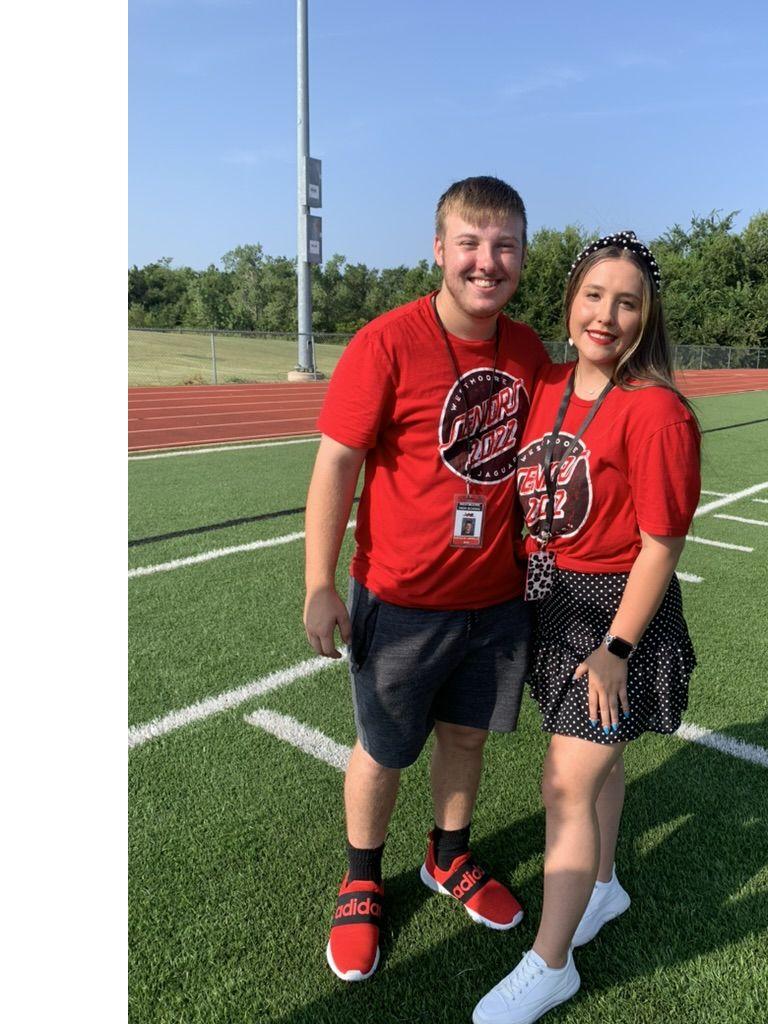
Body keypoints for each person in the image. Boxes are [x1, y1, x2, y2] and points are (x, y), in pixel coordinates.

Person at [303, 176, 550, 982]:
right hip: (402, 597)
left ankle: (448, 855)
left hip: (496, 599)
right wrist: (319, 581)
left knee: (467, 737)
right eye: (470, 243)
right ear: (439, 249)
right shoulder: (386, 342)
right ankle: (362, 878)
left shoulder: (527, 350)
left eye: (504, 245)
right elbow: (337, 463)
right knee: (383, 749)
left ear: (522, 256)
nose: (487, 262)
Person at [473, 232, 701, 1024]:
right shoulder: (546, 384)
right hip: (552, 602)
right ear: (569, 303)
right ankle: (603, 886)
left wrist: (616, 649)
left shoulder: (658, 410)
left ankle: (551, 963)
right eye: (594, 296)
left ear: (648, 317)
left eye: (627, 302)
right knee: (600, 765)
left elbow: (662, 543)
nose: (607, 315)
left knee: (566, 782)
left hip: (616, 616)